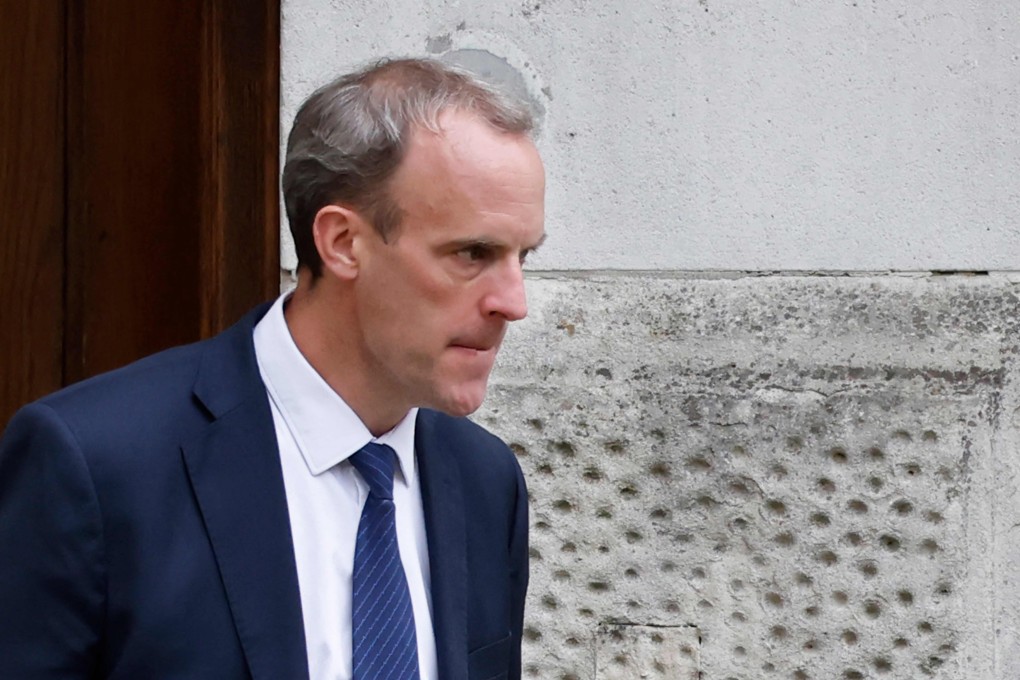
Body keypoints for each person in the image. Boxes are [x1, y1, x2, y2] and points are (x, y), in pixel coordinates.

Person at [0, 57, 545, 680]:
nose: (515, 302)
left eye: (522, 256)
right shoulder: (97, 464)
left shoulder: (484, 480)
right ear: (342, 243)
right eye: (473, 253)